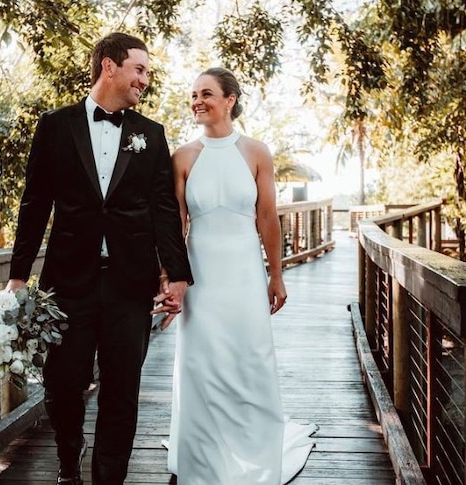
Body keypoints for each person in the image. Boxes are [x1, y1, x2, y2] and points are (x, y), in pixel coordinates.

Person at [5, 32, 192, 485]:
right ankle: (69, 461)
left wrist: (178, 276)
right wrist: (17, 276)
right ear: (109, 66)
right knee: (63, 386)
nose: (145, 80)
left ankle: (110, 478)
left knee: (121, 391)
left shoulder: (151, 134)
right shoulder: (55, 126)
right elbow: (35, 204)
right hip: (67, 284)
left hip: (130, 284)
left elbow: (164, 211)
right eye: (139, 69)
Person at [162, 67, 317, 484]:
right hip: (201, 276)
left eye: (206, 93)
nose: (197, 100)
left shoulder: (256, 152)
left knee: (249, 358)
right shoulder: (182, 156)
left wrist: (276, 276)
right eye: (193, 94)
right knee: (201, 362)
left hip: (245, 272)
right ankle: (202, 454)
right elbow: (175, 226)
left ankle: (252, 451)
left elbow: (267, 219)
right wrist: (170, 279)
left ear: (229, 99)